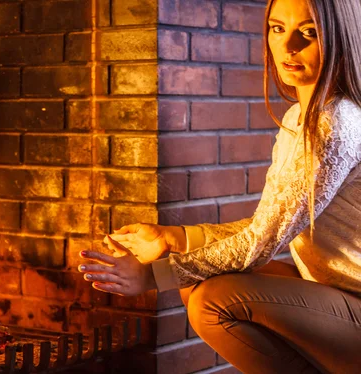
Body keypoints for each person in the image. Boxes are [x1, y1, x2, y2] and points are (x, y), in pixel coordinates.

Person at [78, 0, 361, 372]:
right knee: (199, 280)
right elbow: (268, 225)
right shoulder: (300, 115)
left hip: (353, 299)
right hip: (331, 288)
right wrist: (173, 238)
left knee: (213, 298)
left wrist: (150, 276)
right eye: (277, 28)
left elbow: (263, 241)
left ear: (341, 38)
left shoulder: (335, 121)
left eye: (308, 33)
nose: (288, 46)